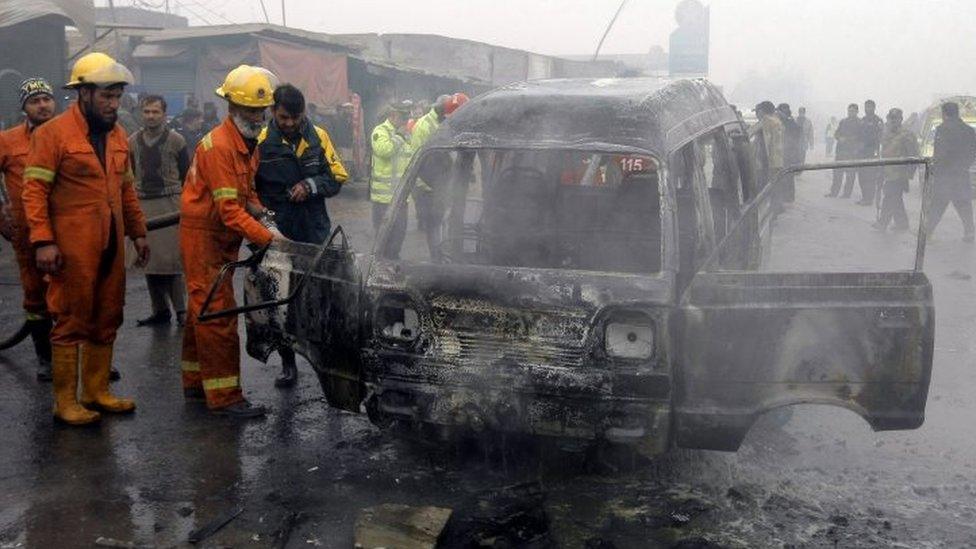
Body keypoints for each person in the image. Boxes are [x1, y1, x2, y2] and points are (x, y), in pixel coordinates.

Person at [21, 52, 149, 426]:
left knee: (108, 312)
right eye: (106, 97)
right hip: (71, 246)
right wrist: (43, 240)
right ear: (84, 94)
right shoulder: (52, 134)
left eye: (117, 96)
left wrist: (138, 232)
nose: (113, 104)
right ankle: (65, 402)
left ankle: (96, 392)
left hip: (111, 242)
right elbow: (33, 193)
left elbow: (127, 191)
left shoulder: (119, 136)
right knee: (70, 316)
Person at [179, 65, 286, 418]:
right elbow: (228, 210)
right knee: (217, 314)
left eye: (261, 110)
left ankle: (196, 383)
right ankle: (225, 399)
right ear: (232, 108)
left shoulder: (247, 144)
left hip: (219, 235)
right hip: (205, 237)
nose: (257, 116)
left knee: (202, 310)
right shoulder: (221, 147)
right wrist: (267, 240)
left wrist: (263, 214)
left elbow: (246, 196)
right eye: (249, 110)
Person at [255, 83, 347, 388]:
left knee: (324, 296)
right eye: (283, 117)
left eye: (295, 117)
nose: (290, 124)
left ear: (303, 112)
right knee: (278, 299)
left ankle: (331, 362)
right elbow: (247, 189)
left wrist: (310, 185)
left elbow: (337, 177)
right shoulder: (260, 141)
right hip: (276, 231)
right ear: (272, 112)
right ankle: (288, 363)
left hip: (314, 228)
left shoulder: (318, 136)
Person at [0, 78, 57, 381]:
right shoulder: (7, 141)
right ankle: (45, 359)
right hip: (26, 234)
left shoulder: (67, 135)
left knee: (74, 296)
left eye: (46, 99)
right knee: (36, 297)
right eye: (35, 101)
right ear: (24, 107)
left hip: (65, 230)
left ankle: (85, 361)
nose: (42, 105)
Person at [129, 95, 190, 327]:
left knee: (171, 263)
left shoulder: (177, 140)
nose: (151, 116)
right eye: (147, 112)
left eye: (155, 112)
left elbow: (187, 175)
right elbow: (130, 174)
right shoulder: (131, 142)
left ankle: (181, 311)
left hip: (170, 205)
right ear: (141, 113)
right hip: (143, 205)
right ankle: (160, 311)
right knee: (149, 261)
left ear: (164, 114)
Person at [410, 93, 469, 256]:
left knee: (443, 220)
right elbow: (419, 158)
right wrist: (435, 184)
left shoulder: (445, 121)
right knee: (434, 222)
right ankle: (437, 258)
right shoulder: (424, 125)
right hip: (427, 185)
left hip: (443, 183)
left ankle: (445, 254)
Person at [926, 101, 976, 242]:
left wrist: (935, 168)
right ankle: (969, 232)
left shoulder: (943, 129)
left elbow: (941, 153)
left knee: (938, 203)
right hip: (961, 173)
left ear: (944, 114)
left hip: (945, 174)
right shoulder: (968, 130)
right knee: (963, 203)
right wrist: (963, 166)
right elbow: (973, 152)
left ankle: (927, 232)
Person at [369, 101, 413, 255]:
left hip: (401, 197)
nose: (406, 121)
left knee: (399, 236)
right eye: (403, 117)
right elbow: (385, 150)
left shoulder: (406, 133)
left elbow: (410, 156)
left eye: (407, 118)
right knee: (383, 239)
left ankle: (392, 265)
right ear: (392, 116)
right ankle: (379, 270)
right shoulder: (380, 131)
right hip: (383, 199)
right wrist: (400, 135)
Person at [873, 108, 919, 232]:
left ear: (901, 119)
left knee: (889, 196)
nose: (893, 121)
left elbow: (913, 155)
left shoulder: (907, 135)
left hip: (899, 173)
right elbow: (884, 153)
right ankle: (902, 223)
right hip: (887, 171)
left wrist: (909, 173)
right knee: (896, 198)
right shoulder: (886, 134)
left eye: (896, 118)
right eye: (891, 118)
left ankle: (883, 223)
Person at [748, 101, 784, 190]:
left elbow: (749, 133)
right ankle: (775, 203)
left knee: (763, 187)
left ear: (762, 111)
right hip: (777, 159)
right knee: (774, 186)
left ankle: (762, 203)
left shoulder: (766, 120)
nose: (756, 114)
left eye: (757, 111)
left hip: (766, 161)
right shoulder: (777, 120)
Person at [827, 104, 861, 198]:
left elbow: (861, 138)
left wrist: (853, 144)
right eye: (849, 111)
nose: (851, 113)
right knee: (837, 173)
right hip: (841, 151)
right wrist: (839, 138)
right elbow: (836, 133)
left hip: (852, 153)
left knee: (850, 175)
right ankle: (834, 192)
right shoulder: (843, 122)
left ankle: (846, 194)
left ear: (857, 112)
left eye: (853, 111)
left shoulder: (860, 123)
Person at [856, 99, 884, 205]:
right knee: (861, 176)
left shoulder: (878, 121)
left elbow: (880, 137)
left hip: (872, 152)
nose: (867, 109)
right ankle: (864, 197)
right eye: (866, 107)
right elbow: (858, 135)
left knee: (870, 177)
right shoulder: (862, 120)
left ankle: (869, 199)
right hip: (861, 153)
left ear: (874, 108)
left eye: (869, 107)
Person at [777, 103, 803, 203]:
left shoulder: (789, 122)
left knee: (788, 176)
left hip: (788, 153)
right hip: (786, 152)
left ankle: (788, 197)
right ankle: (787, 196)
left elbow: (795, 135)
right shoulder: (787, 121)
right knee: (786, 176)